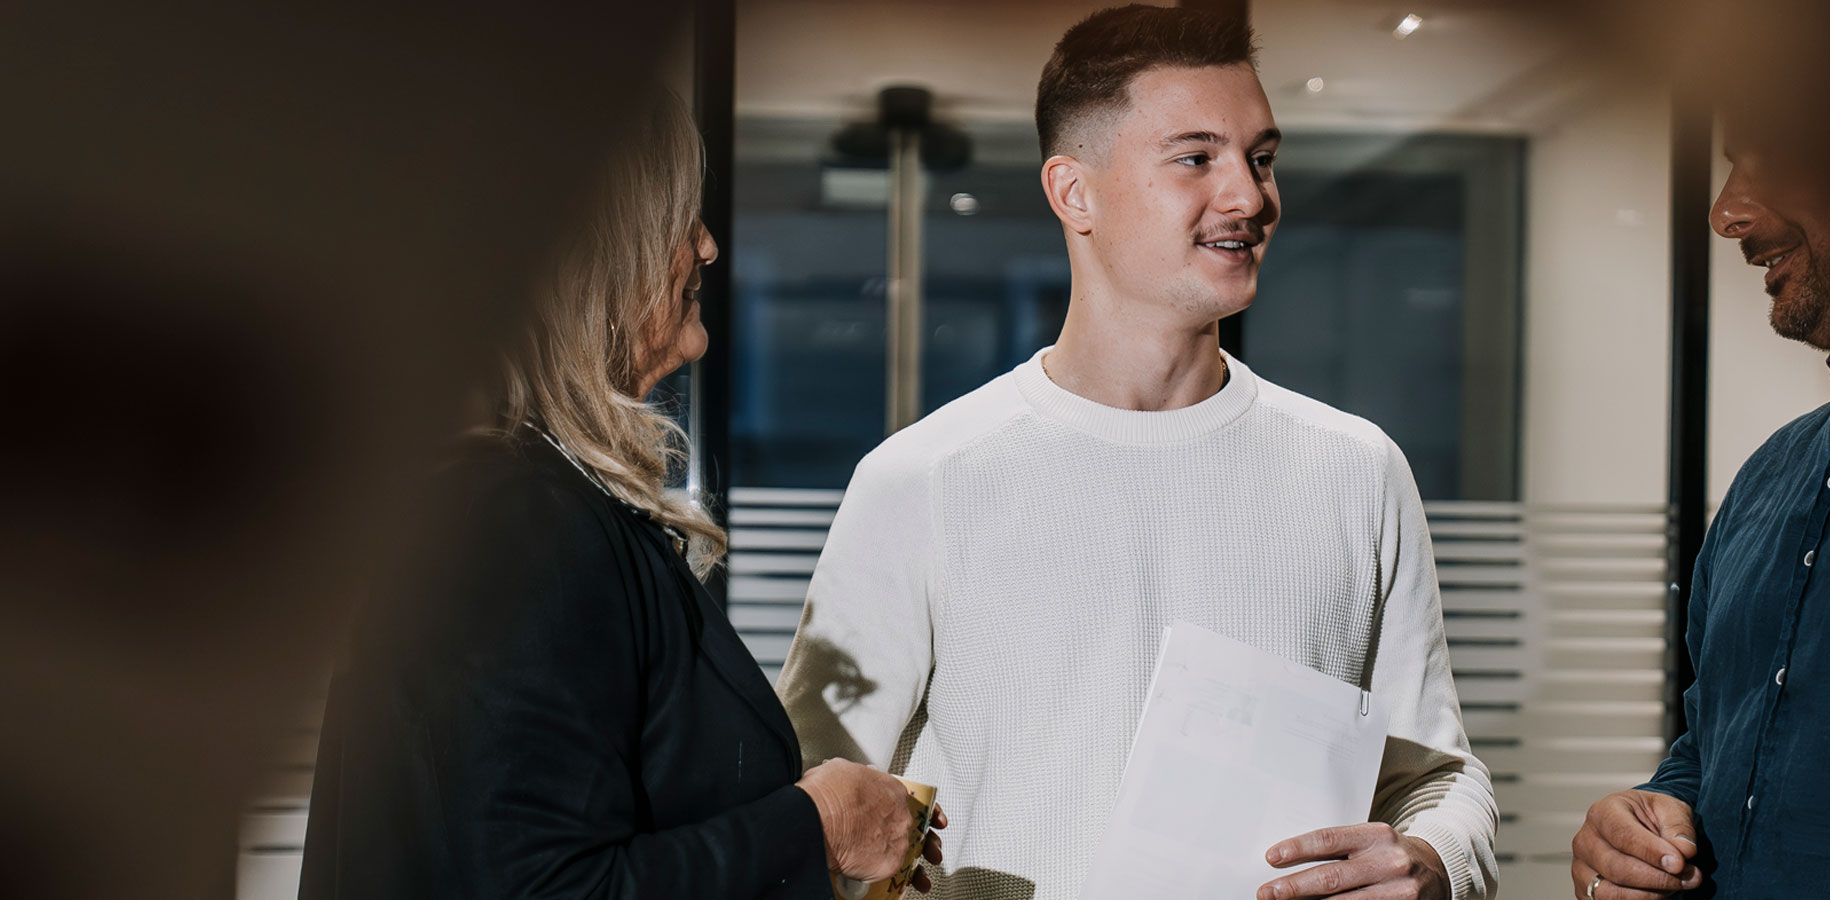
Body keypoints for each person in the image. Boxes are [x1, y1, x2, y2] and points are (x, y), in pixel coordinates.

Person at [776, 7, 1497, 900]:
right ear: (1074, 192)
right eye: (1196, 157)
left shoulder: (1357, 470)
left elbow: (1437, 776)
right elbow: (812, 816)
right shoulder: (923, 479)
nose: (1250, 197)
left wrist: (1435, 864)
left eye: (1260, 157)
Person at [298, 91, 941, 899]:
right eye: (679, 218)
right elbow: (549, 887)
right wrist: (816, 826)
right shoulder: (519, 523)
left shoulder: (540, 500)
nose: (706, 246)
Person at [1567, 20, 1830, 900]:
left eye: (1763, 158)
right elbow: (1714, 746)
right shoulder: (1773, 473)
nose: (1728, 213)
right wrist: (1648, 819)